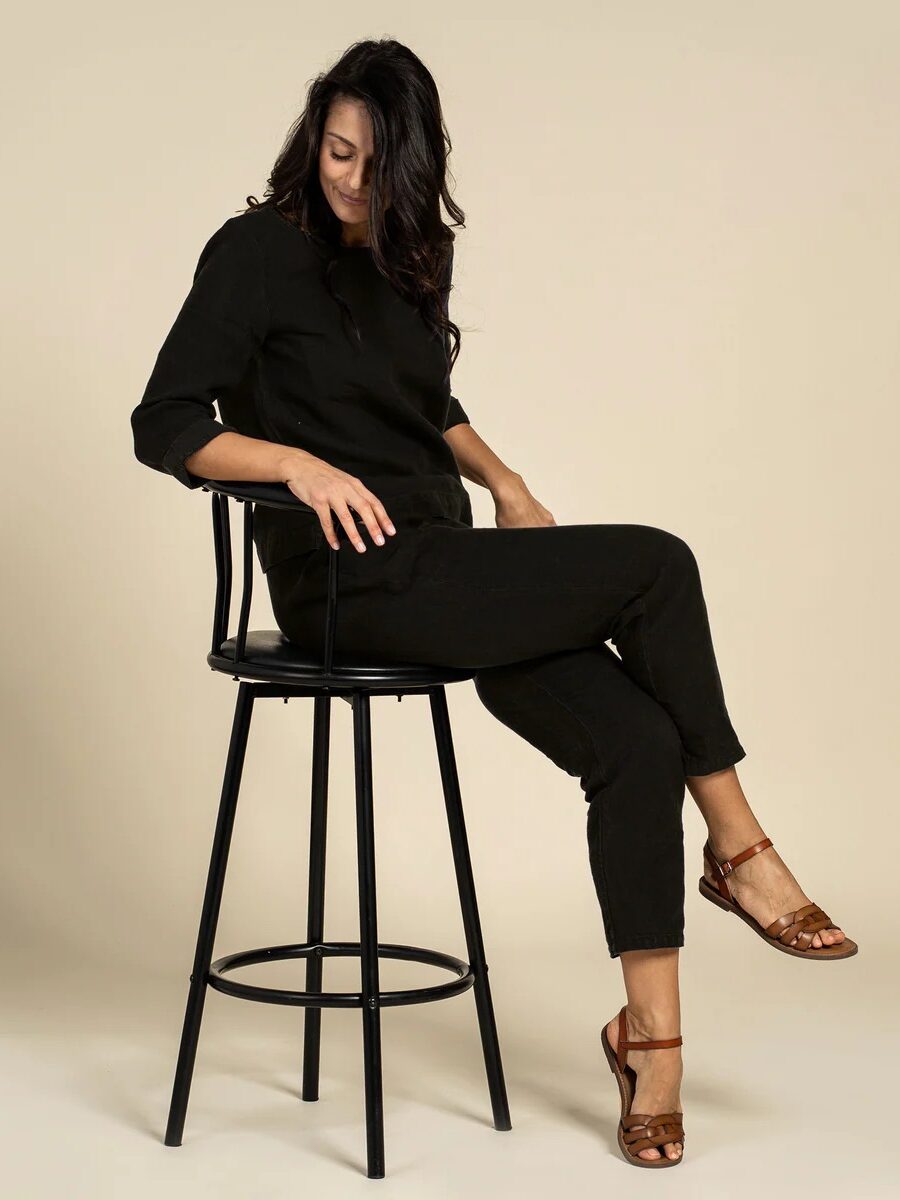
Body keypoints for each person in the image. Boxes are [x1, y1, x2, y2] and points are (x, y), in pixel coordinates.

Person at [130, 37, 857, 1168]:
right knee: (657, 562)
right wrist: (295, 467)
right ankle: (742, 850)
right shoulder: (253, 254)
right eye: (335, 152)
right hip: (349, 585)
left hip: (446, 572)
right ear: (311, 141)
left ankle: (650, 1044)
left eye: (375, 164)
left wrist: (503, 480)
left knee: (634, 734)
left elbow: (426, 401)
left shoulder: (409, 261)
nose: (350, 182)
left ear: (415, 167)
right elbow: (165, 422)